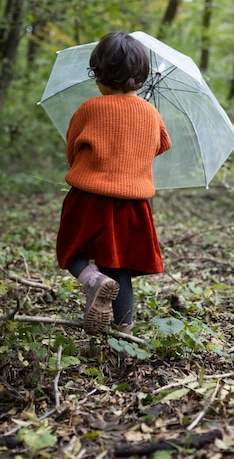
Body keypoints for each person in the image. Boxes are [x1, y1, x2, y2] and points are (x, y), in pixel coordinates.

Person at [56, 31, 172, 336]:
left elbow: (72, 150)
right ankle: (125, 332)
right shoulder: (151, 113)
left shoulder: (89, 109)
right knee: (118, 264)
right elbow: (161, 145)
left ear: (101, 76)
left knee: (70, 249)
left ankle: (93, 281)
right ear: (141, 78)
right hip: (132, 204)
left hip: (88, 197)